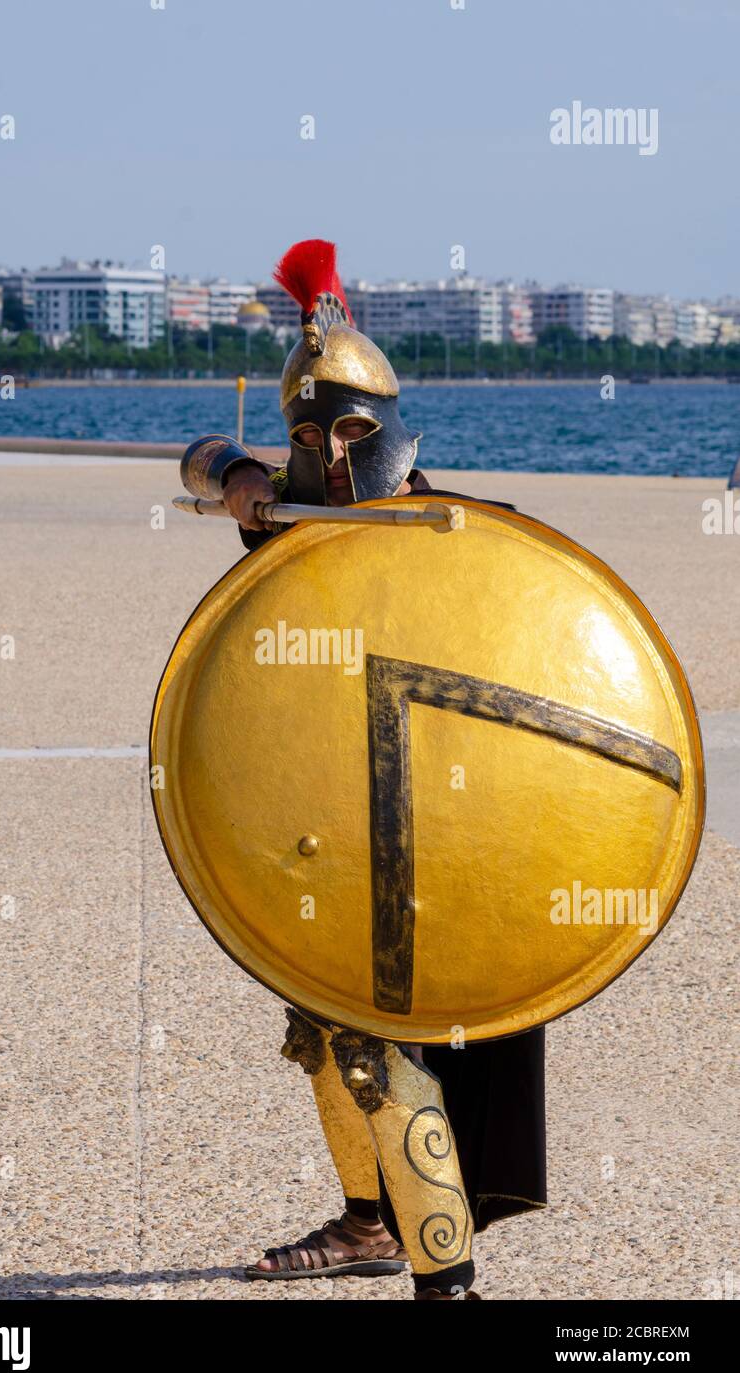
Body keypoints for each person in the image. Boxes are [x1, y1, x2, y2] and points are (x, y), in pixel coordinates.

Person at [179, 240, 547, 1300]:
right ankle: (364, 1223)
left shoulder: (455, 531)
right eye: (305, 435)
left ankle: (449, 1281)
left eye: (349, 429)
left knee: (386, 1053)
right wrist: (243, 477)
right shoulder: (286, 529)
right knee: (322, 1034)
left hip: (441, 841)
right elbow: (193, 455)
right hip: (328, 834)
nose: (329, 453)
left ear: (389, 431)